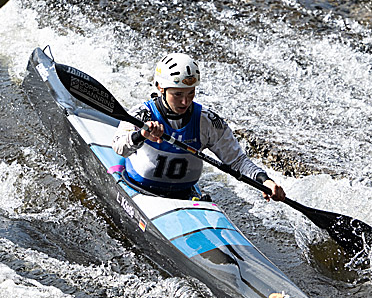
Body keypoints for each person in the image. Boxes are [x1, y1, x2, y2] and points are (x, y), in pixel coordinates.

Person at [112, 52, 286, 202]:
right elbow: (119, 148)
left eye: (190, 93)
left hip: (184, 197)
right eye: (177, 94)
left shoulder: (207, 121)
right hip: (140, 190)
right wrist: (141, 135)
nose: (185, 101)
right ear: (160, 88)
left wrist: (265, 181)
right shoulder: (142, 114)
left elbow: (237, 161)